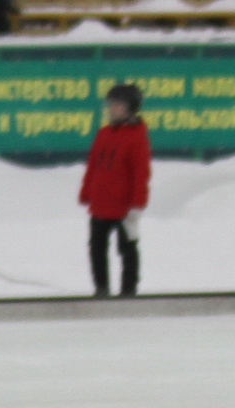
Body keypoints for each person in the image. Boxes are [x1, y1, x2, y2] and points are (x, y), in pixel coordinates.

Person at [80, 83, 151, 297]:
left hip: (123, 206)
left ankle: (128, 290)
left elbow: (141, 172)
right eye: (111, 104)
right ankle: (101, 288)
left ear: (131, 108)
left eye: (118, 104)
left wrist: (137, 203)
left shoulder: (136, 136)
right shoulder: (104, 133)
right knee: (97, 248)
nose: (112, 108)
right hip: (101, 204)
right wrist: (86, 191)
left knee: (127, 248)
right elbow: (94, 165)